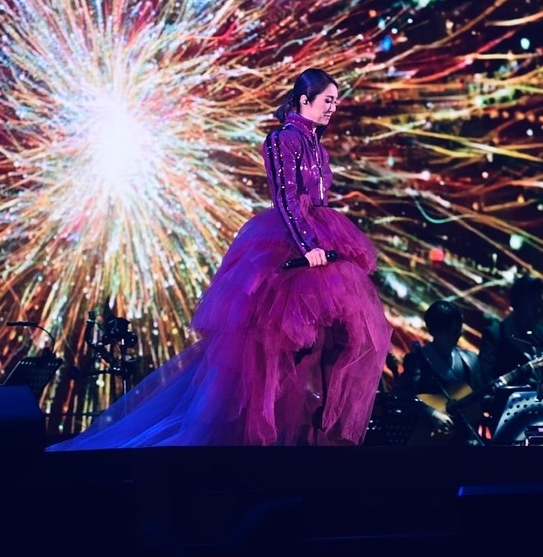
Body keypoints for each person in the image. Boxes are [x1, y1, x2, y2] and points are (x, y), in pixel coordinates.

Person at [48, 67, 392, 448]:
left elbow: (317, 199)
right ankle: (261, 432)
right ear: (304, 100)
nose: (333, 108)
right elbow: (285, 197)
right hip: (292, 243)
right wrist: (308, 243)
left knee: (340, 336)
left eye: (336, 101)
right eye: (327, 100)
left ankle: (312, 431)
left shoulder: (318, 147)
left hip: (321, 239)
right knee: (279, 343)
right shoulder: (281, 140)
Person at [392, 300, 483, 443]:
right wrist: (431, 413)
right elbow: (402, 394)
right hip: (430, 441)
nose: (454, 334)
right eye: (447, 330)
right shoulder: (418, 360)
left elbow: (481, 396)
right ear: (433, 330)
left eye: (456, 329)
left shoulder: (470, 360)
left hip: (463, 439)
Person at [478, 274, 543, 388]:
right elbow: (486, 381)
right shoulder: (495, 335)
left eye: (540, 306)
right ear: (517, 304)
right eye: (533, 306)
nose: (539, 312)